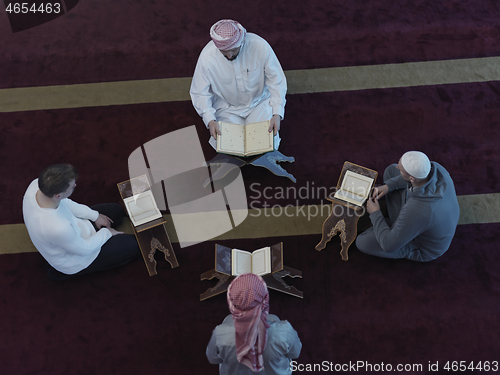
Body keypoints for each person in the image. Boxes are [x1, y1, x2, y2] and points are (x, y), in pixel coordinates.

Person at [22, 164, 140, 281]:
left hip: (75, 231)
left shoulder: (37, 185)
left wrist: (96, 216)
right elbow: (84, 249)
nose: (75, 185)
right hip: (77, 258)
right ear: (58, 195)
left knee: (116, 211)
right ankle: (60, 273)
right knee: (133, 245)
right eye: (72, 186)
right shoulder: (57, 227)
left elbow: (66, 203)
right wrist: (107, 232)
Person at [190, 19, 287, 150]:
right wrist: (210, 119)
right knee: (229, 147)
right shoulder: (207, 57)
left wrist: (277, 113)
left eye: (234, 50)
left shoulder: (259, 46)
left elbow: (276, 80)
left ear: (241, 41)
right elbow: (199, 92)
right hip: (227, 108)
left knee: (267, 145)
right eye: (224, 52)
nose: (229, 56)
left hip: (258, 103)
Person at [356, 151, 460, 262]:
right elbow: (412, 178)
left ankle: (391, 229)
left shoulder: (419, 209)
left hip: (420, 246)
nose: (397, 166)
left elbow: (388, 246)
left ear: (411, 179)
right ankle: (394, 228)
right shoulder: (437, 168)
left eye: (400, 168)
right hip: (420, 218)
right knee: (391, 170)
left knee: (362, 242)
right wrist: (388, 186)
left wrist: (375, 213)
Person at [206, 273, 302, 374]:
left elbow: (213, 359)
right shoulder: (285, 331)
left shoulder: (220, 334)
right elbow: (295, 354)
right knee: (274, 319)